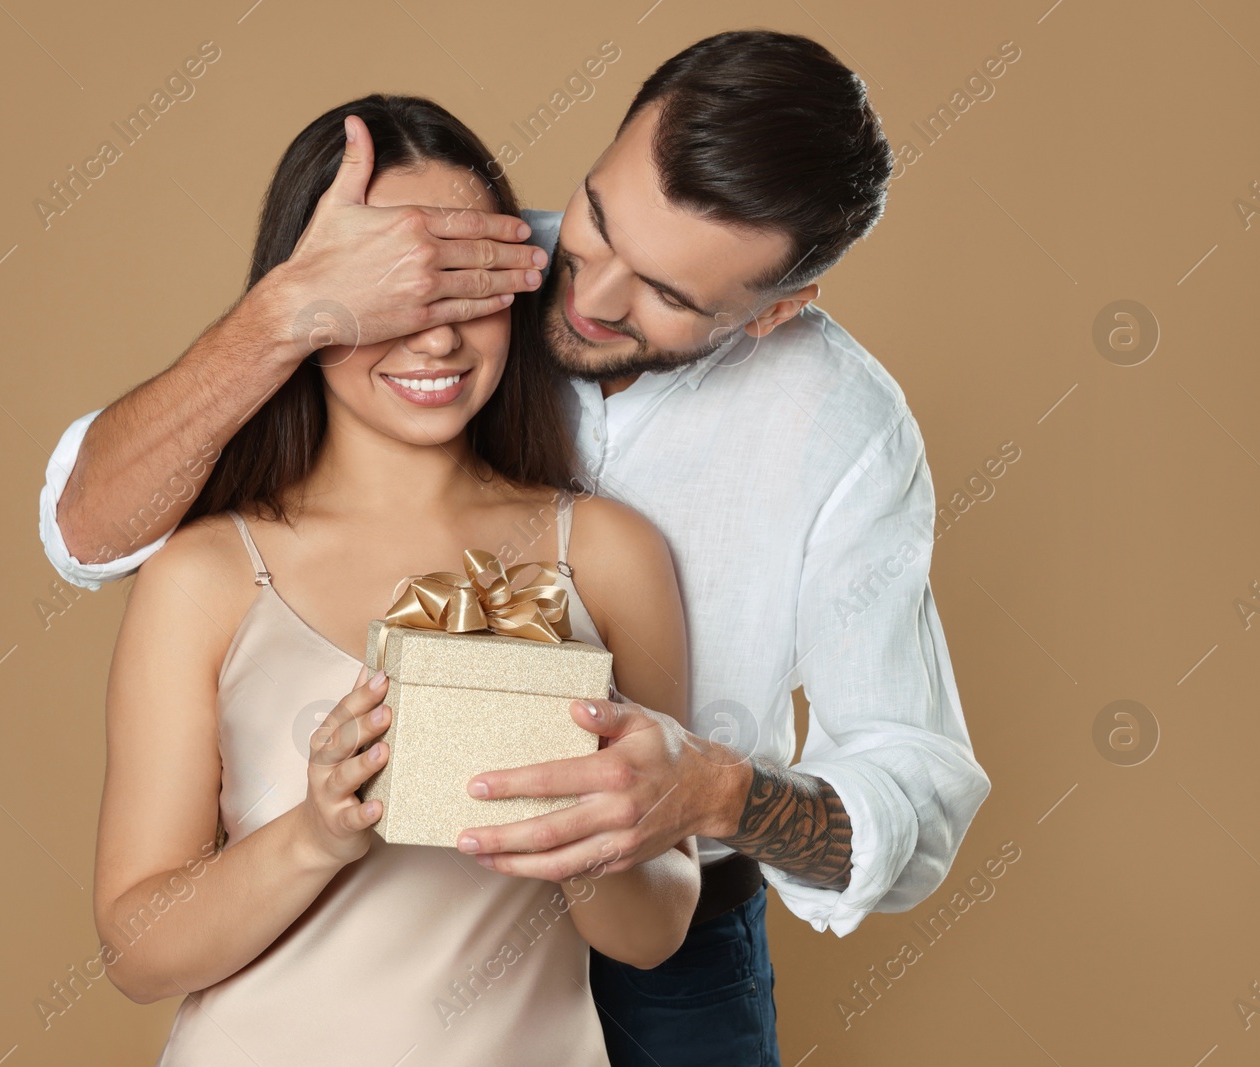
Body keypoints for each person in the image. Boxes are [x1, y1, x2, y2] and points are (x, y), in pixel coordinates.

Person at [48, 30, 992, 1067]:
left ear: (773, 310)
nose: (585, 297)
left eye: (668, 295)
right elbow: (93, 525)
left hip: (658, 945)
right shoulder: (464, 262)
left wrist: (706, 791)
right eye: (595, 220)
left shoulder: (832, 436)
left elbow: (910, 778)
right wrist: (292, 305)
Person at [91, 95, 701, 1066]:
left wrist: (575, 821)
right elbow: (135, 947)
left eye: (470, 289)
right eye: (395, 292)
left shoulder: (610, 552)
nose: (437, 340)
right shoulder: (207, 570)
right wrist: (319, 830)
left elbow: (657, 921)